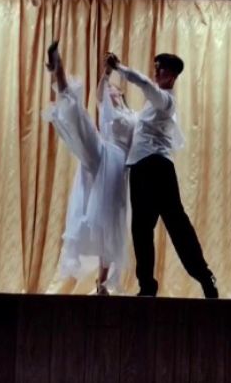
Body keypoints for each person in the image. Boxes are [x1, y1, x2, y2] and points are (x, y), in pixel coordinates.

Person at [105, 51, 218, 299]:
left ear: (173, 76)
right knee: (141, 229)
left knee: (176, 226)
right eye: (156, 67)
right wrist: (118, 102)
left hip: (157, 167)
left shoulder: (165, 100)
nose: (157, 72)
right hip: (140, 168)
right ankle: (147, 286)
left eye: (162, 69)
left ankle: (204, 276)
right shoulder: (151, 107)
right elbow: (135, 124)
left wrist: (119, 67)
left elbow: (145, 84)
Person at [43, 40, 135, 295]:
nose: (111, 91)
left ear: (122, 94)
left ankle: (102, 283)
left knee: (111, 221)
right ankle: (58, 69)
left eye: (115, 89)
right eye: (110, 89)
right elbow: (100, 92)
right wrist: (108, 72)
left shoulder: (134, 117)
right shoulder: (107, 109)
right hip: (103, 152)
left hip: (119, 166)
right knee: (80, 120)